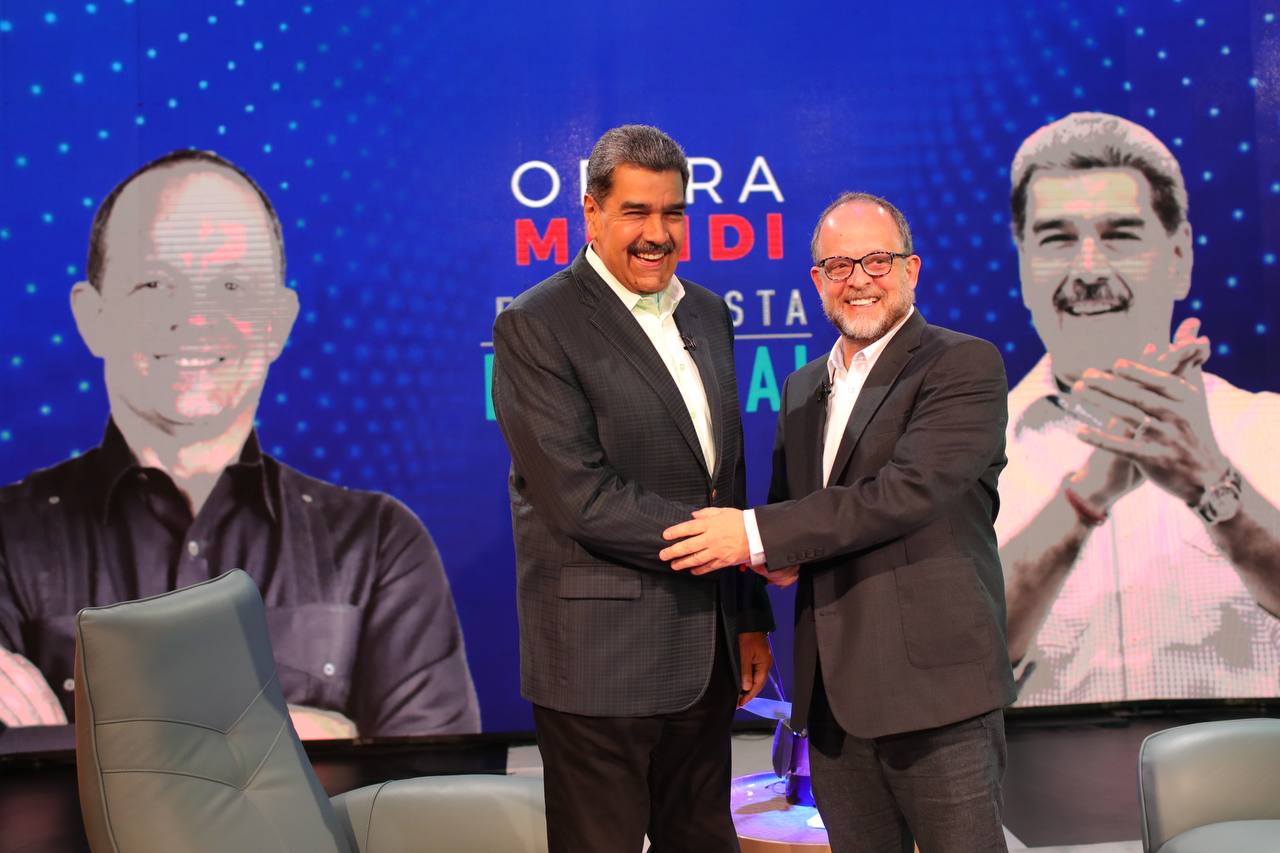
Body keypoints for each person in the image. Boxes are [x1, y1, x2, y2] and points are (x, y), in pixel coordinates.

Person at [0, 150, 480, 739]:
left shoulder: (378, 545)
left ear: (279, 321)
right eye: (155, 284)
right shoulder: (8, 538)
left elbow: (431, 781)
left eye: (231, 284)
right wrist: (310, 735)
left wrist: (85, 740)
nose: (195, 317)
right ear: (91, 316)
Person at [661, 192, 1014, 853]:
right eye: (838, 265)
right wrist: (768, 561)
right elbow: (795, 519)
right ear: (818, 280)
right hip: (832, 706)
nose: (859, 279)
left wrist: (754, 534)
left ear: (911, 268)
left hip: (937, 698)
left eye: (877, 260)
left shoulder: (962, 364)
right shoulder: (801, 390)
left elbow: (903, 493)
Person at [491, 124, 773, 853]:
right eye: (636, 212)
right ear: (591, 213)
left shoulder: (708, 312)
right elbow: (580, 496)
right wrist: (730, 542)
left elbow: (727, 473)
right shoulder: (536, 323)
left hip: (706, 655)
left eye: (673, 213)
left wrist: (748, 615)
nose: (658, 234)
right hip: (600, 663)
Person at [998, 112, 1280, 706]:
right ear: (1022, 266)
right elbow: (940, 662)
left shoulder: (1269, 430)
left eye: (1121, 236)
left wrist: (1215, 486)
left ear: (1179, 257)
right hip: (1039, 766)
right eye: (1057, 239)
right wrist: (1083, 499)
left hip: (1244, 767)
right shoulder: (964, 452)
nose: (1088, 271)